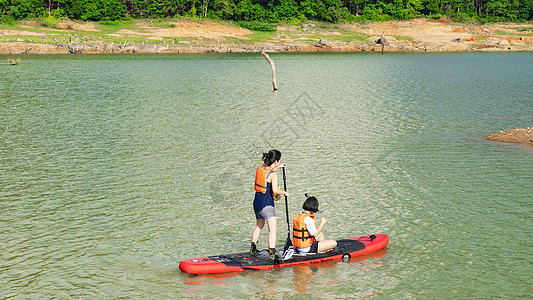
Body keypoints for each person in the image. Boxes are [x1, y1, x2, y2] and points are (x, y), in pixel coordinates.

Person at [250, 150, 289, 260]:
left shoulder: (260, 167)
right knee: (273, 228)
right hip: (267, 204)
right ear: (276, 161)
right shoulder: (274, 175)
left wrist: (279, 167)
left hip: (257, 203)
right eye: (279, 160)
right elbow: (275, 190)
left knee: (259, 225)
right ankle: (272, 253)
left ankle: (253, 248)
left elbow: (268, 173)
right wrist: (284, 193)